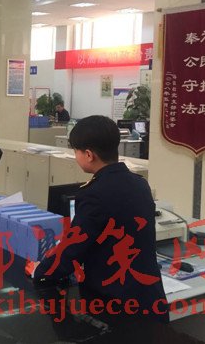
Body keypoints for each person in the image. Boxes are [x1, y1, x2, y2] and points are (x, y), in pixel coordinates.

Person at [32, 115, 168, 323]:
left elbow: (73, 250)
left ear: (88, 155)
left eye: (76, 151)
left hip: (116, 306)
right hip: (149, 299)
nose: (76, 156)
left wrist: (40, 271)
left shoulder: (93, 194)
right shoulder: (140, 184)